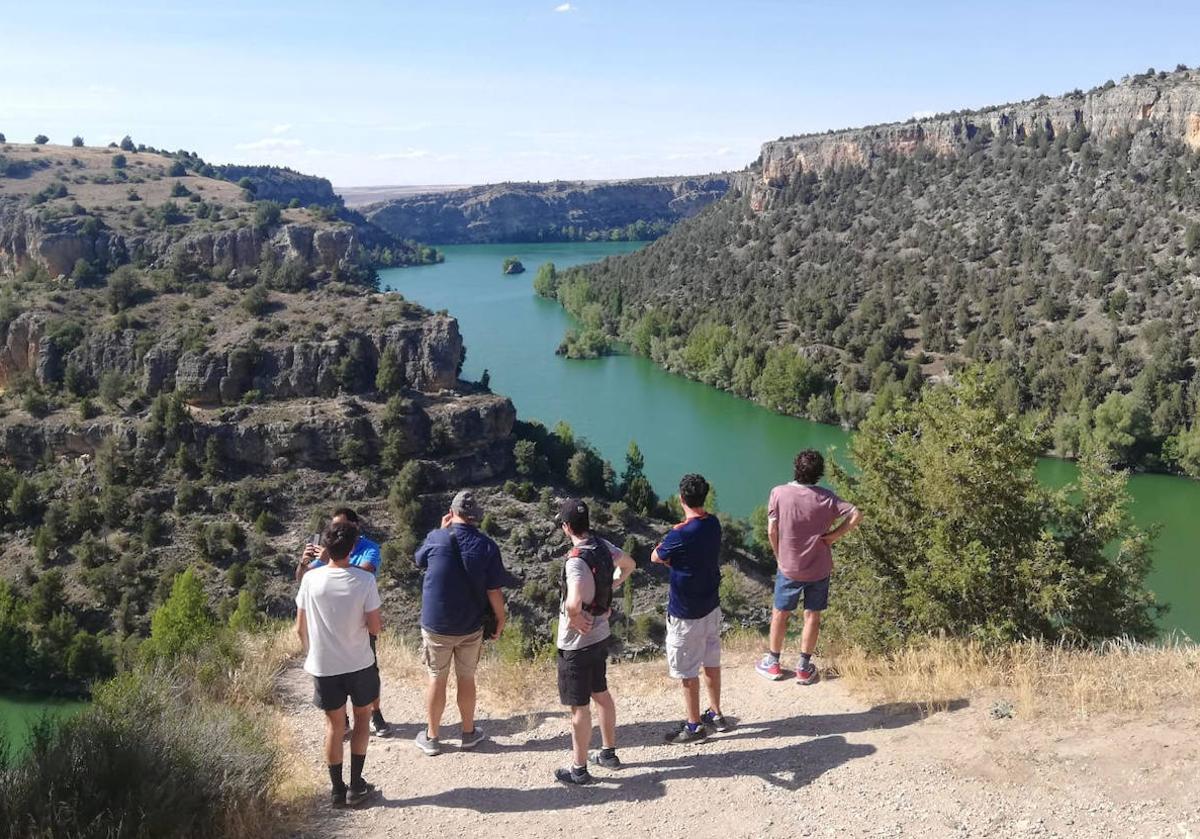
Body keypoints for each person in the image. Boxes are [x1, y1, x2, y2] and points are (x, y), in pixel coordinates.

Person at [412, 489, 512, 756]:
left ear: (452, 512)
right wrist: (500, 620)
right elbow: (494, 591)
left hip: (437, 627)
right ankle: (468, 734)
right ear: (475, 517)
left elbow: (419, 559)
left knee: (436, 678)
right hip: (470, 626)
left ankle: (432, 737)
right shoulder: (488, 546)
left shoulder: (436, 538)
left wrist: (438, 530)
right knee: (467, 679)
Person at [295, 520, 382, 809]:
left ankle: (336, 791)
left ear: (326, 548)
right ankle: (357, 786)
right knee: (361, 720)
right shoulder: (364, 580)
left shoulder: (310, 579)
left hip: (324, 665)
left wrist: (312, 654)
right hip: (359, 662)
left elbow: (300, 628)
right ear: (353, 547)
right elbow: (375, 627)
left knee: (334, 727)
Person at [756, 450, 862, 685]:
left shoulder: (779, 493)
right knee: (812, 615)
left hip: (789, 566)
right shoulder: (827, 498)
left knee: (780, 613)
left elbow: (771, 530)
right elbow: (856, 514)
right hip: (819, 566)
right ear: (819, 474)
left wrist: (779, 555)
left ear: (796, 468)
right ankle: (804, 668)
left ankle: (773, 663)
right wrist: (834, 536)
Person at [553, 498, 635, 785]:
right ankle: (609, 753)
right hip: (600, 636)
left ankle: (579, 769)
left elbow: (574, 602)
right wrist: (613, 585)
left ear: (566, 527)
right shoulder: (602, 546)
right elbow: (629, 564)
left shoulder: (576, 560)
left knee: (579, 707)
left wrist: (575, 616)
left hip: (575, 645)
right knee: (601, 692)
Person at [297, 507, 394, 738]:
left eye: (342, 526)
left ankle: (375, 713)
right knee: (335, 676)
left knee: (370, 670)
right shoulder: (327, 551)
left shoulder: (368, 548)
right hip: (329, 624)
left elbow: (368, 572)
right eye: (334, 527)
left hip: (358, 622)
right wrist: (305, 562)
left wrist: (334, 559)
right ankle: (344, 720)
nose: (337, 531)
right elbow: (303, 580)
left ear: (355, 526)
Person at [651, 473, 730, 743]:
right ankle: (716, 714)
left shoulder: (679, 534)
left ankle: (694, 726)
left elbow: (656, 556)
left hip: (686, 613)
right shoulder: (714, 524)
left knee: (687, 671)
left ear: (681, 498)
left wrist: (675, 541)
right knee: (711, 661)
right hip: (711, 606)